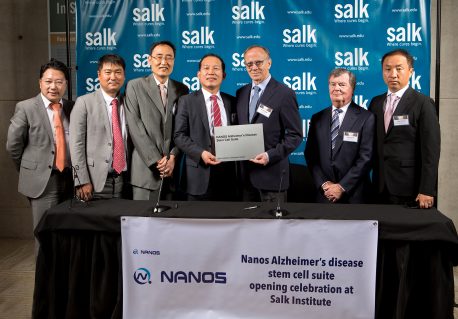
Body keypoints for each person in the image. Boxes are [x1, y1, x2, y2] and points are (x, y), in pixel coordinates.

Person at [6, 59, 73, 250]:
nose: (54, 86)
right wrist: (30, 169)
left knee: (67, 232)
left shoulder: (72, 107)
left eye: (59, 82)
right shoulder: (26, 107)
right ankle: (44, 280)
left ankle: (64, 279)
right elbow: (13, 145)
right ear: (40, 83)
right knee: (45, 235)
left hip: (70, 179)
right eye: (49, 81)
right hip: (44, 181)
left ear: (66, 84)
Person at [369, 49, 440, 209]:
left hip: (409, 189)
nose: (393, 74)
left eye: (399, 68)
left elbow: (431, 152)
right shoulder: (375, 103)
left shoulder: (423, 103)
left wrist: (427, 190)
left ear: (410, 72)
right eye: (388, 69)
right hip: (379, 186)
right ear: (382, 72)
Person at [236, 45, 302, 202]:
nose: (254, 67)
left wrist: (269, 156)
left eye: (258, 62)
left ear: (269, 63)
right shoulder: (241, 93)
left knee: (273, 227)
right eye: (249, 64)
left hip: (272, 177)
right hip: (245, 178)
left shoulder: (284, 93)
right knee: (246, 225)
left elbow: (295, 135)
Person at [125, 41, 188, 201]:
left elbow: (183, 127)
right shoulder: (135, 86)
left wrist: (173, 156)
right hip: (145, 172)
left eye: (169, 58)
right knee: (142, 222)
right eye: (159, 57)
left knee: (170, 224)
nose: (163, 62)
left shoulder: (182, 89)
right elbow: (135, 127)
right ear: (149, 60)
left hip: (172, 171)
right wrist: (157, 161)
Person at [305, 68, 374, 203]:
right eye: (332, 84)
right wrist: (324, 184)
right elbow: (311, 155)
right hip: (325, 195)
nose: (336, 88)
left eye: (342, 84)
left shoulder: (366, 118)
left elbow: (366, 158)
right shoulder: (317, 118)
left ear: (352, 88)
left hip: (354, 196)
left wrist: (341, 187)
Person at [174, 53, 237, 200]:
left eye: (216, 68)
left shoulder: (232, 101)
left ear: (224, 75)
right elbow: (179, 135)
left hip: (228, 175)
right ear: (199, 74)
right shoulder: (186, 101)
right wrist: (201, 153)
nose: (211, 72)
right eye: (206, 68)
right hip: (198, 173)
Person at [70, 54, 129, 201]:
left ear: (124, 75)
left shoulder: (129, 103)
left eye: (118, 72)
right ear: (99, 75)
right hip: (94, 182)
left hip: (125, 182)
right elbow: (76, 144)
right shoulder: (84, 102)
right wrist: (82, 180)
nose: (113, 77)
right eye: (108, 72)